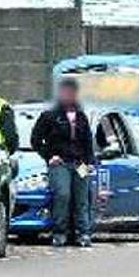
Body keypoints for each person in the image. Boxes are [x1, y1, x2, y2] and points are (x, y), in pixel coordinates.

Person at [30, 78, 95, 247]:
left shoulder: (81, 117)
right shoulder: (50, 116)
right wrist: (49, 156)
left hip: (79, 163)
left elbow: (88, 141)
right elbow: (36, 139)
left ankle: (83, 233)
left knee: (82, 197)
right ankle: (60, 231)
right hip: (61, 163)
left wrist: (89, 162)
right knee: (63, 194)